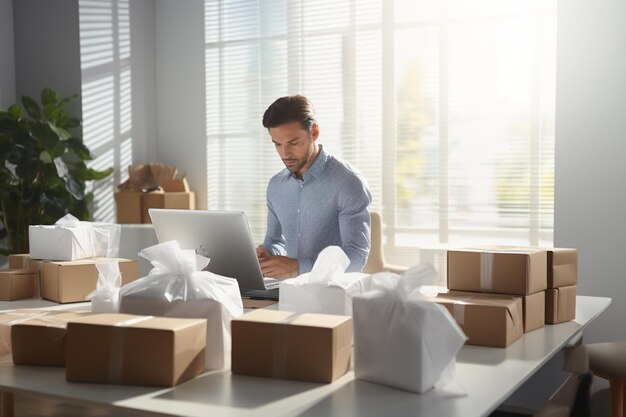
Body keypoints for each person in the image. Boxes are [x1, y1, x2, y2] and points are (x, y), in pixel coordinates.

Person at [256, 95, 372, 279]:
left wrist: (298, 267)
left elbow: (357, 255)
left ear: (314, 132)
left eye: (294, 143)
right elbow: (275, 241)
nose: (285, 153)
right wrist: (268, 256)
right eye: (277, 144)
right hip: (287, 291)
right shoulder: (276, 186)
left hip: (335, 295)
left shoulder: (349, 182)